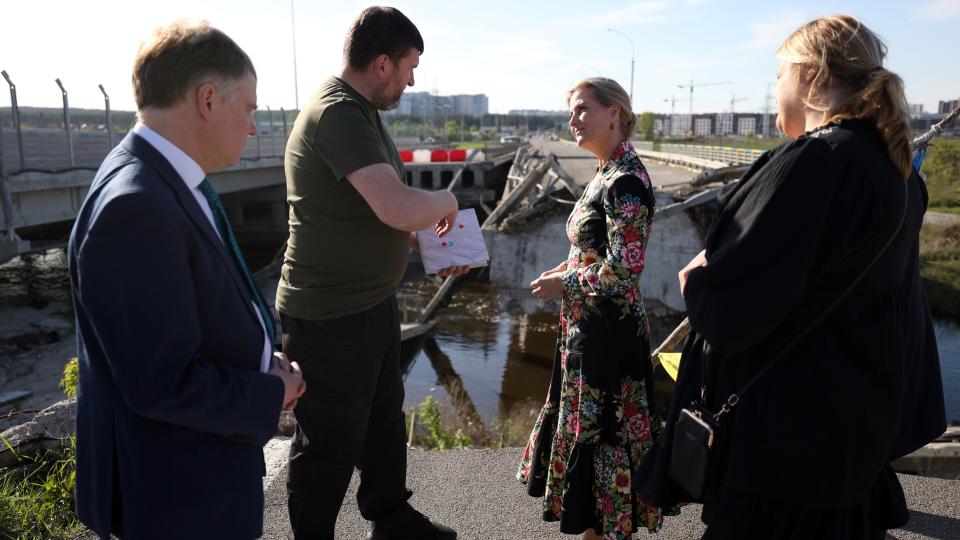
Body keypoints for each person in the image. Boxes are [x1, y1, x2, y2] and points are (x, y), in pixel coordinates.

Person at [637, 15, 946, 539]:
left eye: (778, 76)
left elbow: (736, 311)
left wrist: (695, 283)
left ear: (807, 76)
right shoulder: (895, 169)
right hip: (851, 428)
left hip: (784, 442)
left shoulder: (814, 161)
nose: (775, 90)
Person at [68, 20, 306, 540]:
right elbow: (161, 383)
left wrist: (259, 359)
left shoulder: (161, 178)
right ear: (207, 100)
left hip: (193, 486)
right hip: (178, 502)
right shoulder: (136, 205)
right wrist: (269, 391)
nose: (252, 128)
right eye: (248, 108)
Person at [276, 6, 467, 540]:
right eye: (409, 67)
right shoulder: (337, 113)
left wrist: (427, 243)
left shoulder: (363, 114)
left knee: (382, 421)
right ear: (382, 63)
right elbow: (397, 205)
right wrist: (447, 202)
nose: (411, 79)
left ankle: (391, 517)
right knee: (329, 442)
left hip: (370, 302)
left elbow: (377, 211)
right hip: (330, 313)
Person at [517, 77, 670, 540]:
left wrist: (564, 282)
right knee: (594, 436)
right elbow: (592, 252)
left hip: (608, 342)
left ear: (615, 113)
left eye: (583, 109)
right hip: (587, 332)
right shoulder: (605, 172)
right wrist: (561, 273)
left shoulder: (624, 182)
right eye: (571, 110)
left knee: (605, 437)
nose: (573, 119)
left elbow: (624, 271)